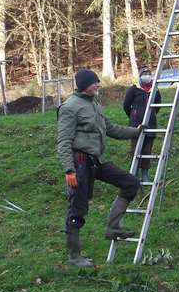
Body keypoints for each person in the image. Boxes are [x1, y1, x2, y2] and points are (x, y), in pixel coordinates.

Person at [57, 69, 143, 267]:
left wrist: (135, 132)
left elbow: (110, 128)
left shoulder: (94, 104)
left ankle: (113, 227)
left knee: (130, 183)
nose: (97, 85)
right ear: (84, 85)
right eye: (94, 83)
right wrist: (69, 170)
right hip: (78, 164)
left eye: (97, 82)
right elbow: (63, 141)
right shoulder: (70, 107)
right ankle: (74, 256)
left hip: (97, 161)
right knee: (77, 209)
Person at [123, 66, 161, 183]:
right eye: (144, 74)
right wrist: (134, 115)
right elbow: (126, 105)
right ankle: (134, 174)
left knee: (147, 150)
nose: (146, 76)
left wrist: (151, 115)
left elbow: (158, 105)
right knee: (136, 150)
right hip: (136, 125)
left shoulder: (155, 89)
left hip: (151, 124)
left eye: (148, 73)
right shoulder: (134, 89)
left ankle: (145, 174)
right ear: (140, 76)